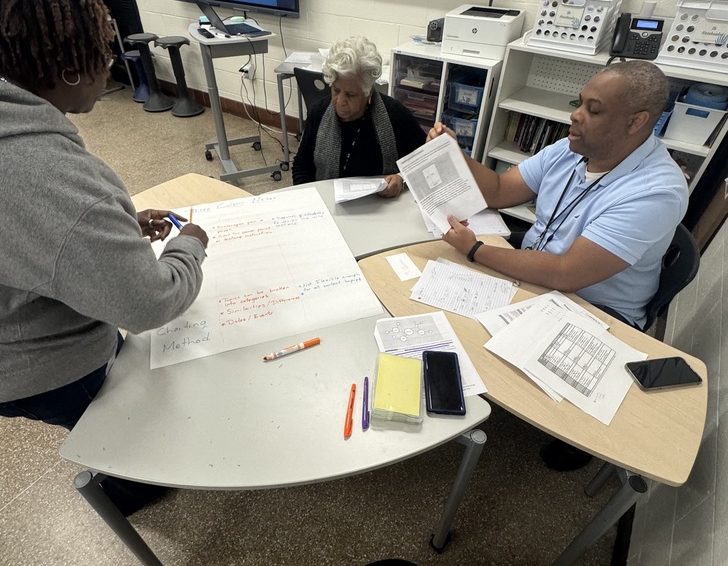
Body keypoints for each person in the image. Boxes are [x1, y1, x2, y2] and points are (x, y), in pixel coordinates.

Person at [0, 0, 209, 512]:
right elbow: (146, 304)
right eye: (105, 56)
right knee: (113, 419)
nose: (111, 68)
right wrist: (188, 248)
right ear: (70, 69)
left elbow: (15, 234)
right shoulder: (52, 180)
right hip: (15, 363)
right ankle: (132, 483)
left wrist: (108, 231)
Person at [429, 59, 689, 469]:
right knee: (442, 303)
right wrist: (453, 154)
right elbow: (498, 191)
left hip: (596, 307)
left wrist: (476, 250)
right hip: (541, 270)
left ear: (636, 122)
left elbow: (568, 273)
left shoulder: (656, 191)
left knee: (479, 328)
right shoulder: (573, 149)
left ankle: (576, 427)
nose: (576, 116)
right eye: (579, 102)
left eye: (594, 109)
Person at [291, 35, 426, 196]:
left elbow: (425, 162)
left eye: (351, 95)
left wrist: (401, 179)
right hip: (328, 203)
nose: (340, 101)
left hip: (381, 206)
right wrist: (310, 200)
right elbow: (301, 166)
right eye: (336, 90)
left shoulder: (394, 114)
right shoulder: (319, 112)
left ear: (368, 92)